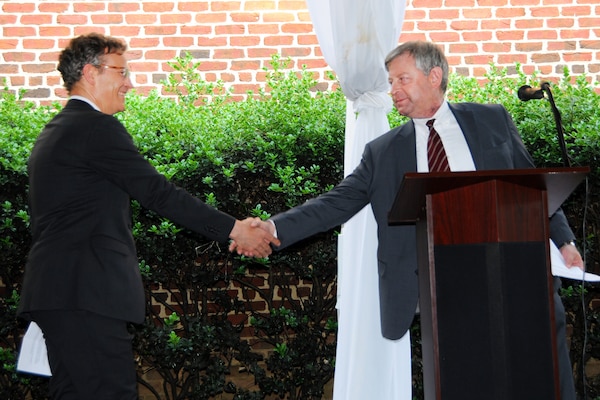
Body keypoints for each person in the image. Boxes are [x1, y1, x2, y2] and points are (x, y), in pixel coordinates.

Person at [232, 40, 582, 399]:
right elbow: (334, 203)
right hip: (444, 293)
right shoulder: (383, 152)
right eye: (390, 81)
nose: (393, 90)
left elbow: (531, 184)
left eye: (402, 79)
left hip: (515, 275)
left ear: (434, 76)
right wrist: (273, 227)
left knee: (541, 381)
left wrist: (564, 242)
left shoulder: (491, 119)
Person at [17, 32, 279, 400]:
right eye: (121, 72)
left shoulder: (59, 130)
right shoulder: (94, 128)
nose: (129, 83)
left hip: (65, 294)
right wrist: (235, 229)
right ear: (91, 74)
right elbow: (158, 193)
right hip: (85, 294)